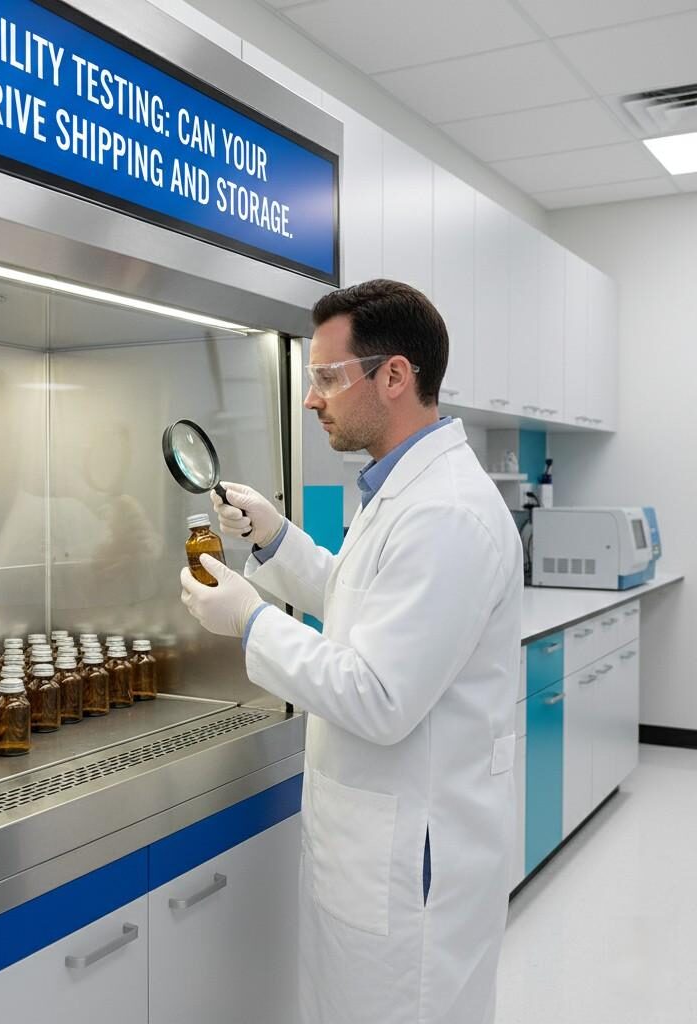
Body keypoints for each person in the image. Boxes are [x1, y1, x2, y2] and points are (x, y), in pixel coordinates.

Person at [180, 279, 523, 1024]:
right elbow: (364, 603)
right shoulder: (405, 492)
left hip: (412, 869)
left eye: (327, 378)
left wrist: (250, 622)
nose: (312, 399)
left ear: (393, 376)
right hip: (381, 847)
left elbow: (378, 694)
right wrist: (277, 541)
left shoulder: (447, 513)